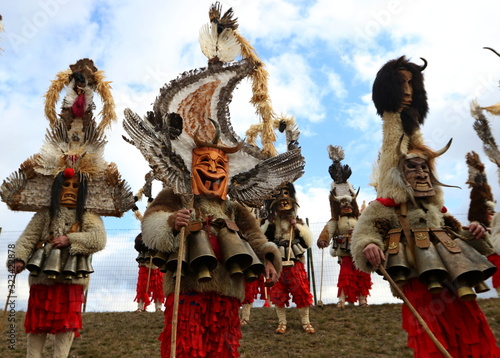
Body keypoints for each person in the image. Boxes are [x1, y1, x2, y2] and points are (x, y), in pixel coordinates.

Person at [351, 55, 500, 358]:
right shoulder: (385, 207)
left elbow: (475, 244)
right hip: (418, 282)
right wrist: (368, 245)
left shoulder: (438, 212)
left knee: (473, 334)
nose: (420, 173)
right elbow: (364, 234)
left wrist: (475, 232)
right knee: (431, 343)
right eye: (412, 169)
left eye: (425, 169)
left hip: (456, 279)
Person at [3, 58, 133, 358]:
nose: (70, 191)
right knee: (36, 328)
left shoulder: (88, 215)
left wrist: (70, 240)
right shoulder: (45, 214)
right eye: (66, 186)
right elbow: (27, 237)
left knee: (65, 330)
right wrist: (19, 259)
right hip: (42, 279)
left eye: (76, 187)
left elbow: (98, 240)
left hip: (73, 281)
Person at [317, 145, 372, 308]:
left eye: (348, 203)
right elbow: (328, 230)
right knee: (346, 274)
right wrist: (323, 240)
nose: (346, 205)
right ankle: (342, 299)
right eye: (342, 203)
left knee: (362, 274)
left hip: (359, 249)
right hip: (344, 250)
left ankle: (363, 300)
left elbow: (368, 229)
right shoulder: (336, 220)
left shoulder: (360, 218)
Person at [261, 182, 315, 334]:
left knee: (302, 290)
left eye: (286, 194)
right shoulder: (269, 222)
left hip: (294, 260)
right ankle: (281, 322)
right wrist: (269, 224)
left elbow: (307, 242)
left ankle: (306, 322)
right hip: (277, 261)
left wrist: (297, 227)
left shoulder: (297, 222)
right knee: (278, 292)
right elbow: (263, 240)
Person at [133, 233, 165, 312]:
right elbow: (137, 246)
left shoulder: (161, 234)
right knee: (142, 285)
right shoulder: (141, 235)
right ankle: (140, 306)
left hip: (157, 261)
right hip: (145, 262)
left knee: (159, 286)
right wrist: (146, 244)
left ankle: (158, 307)